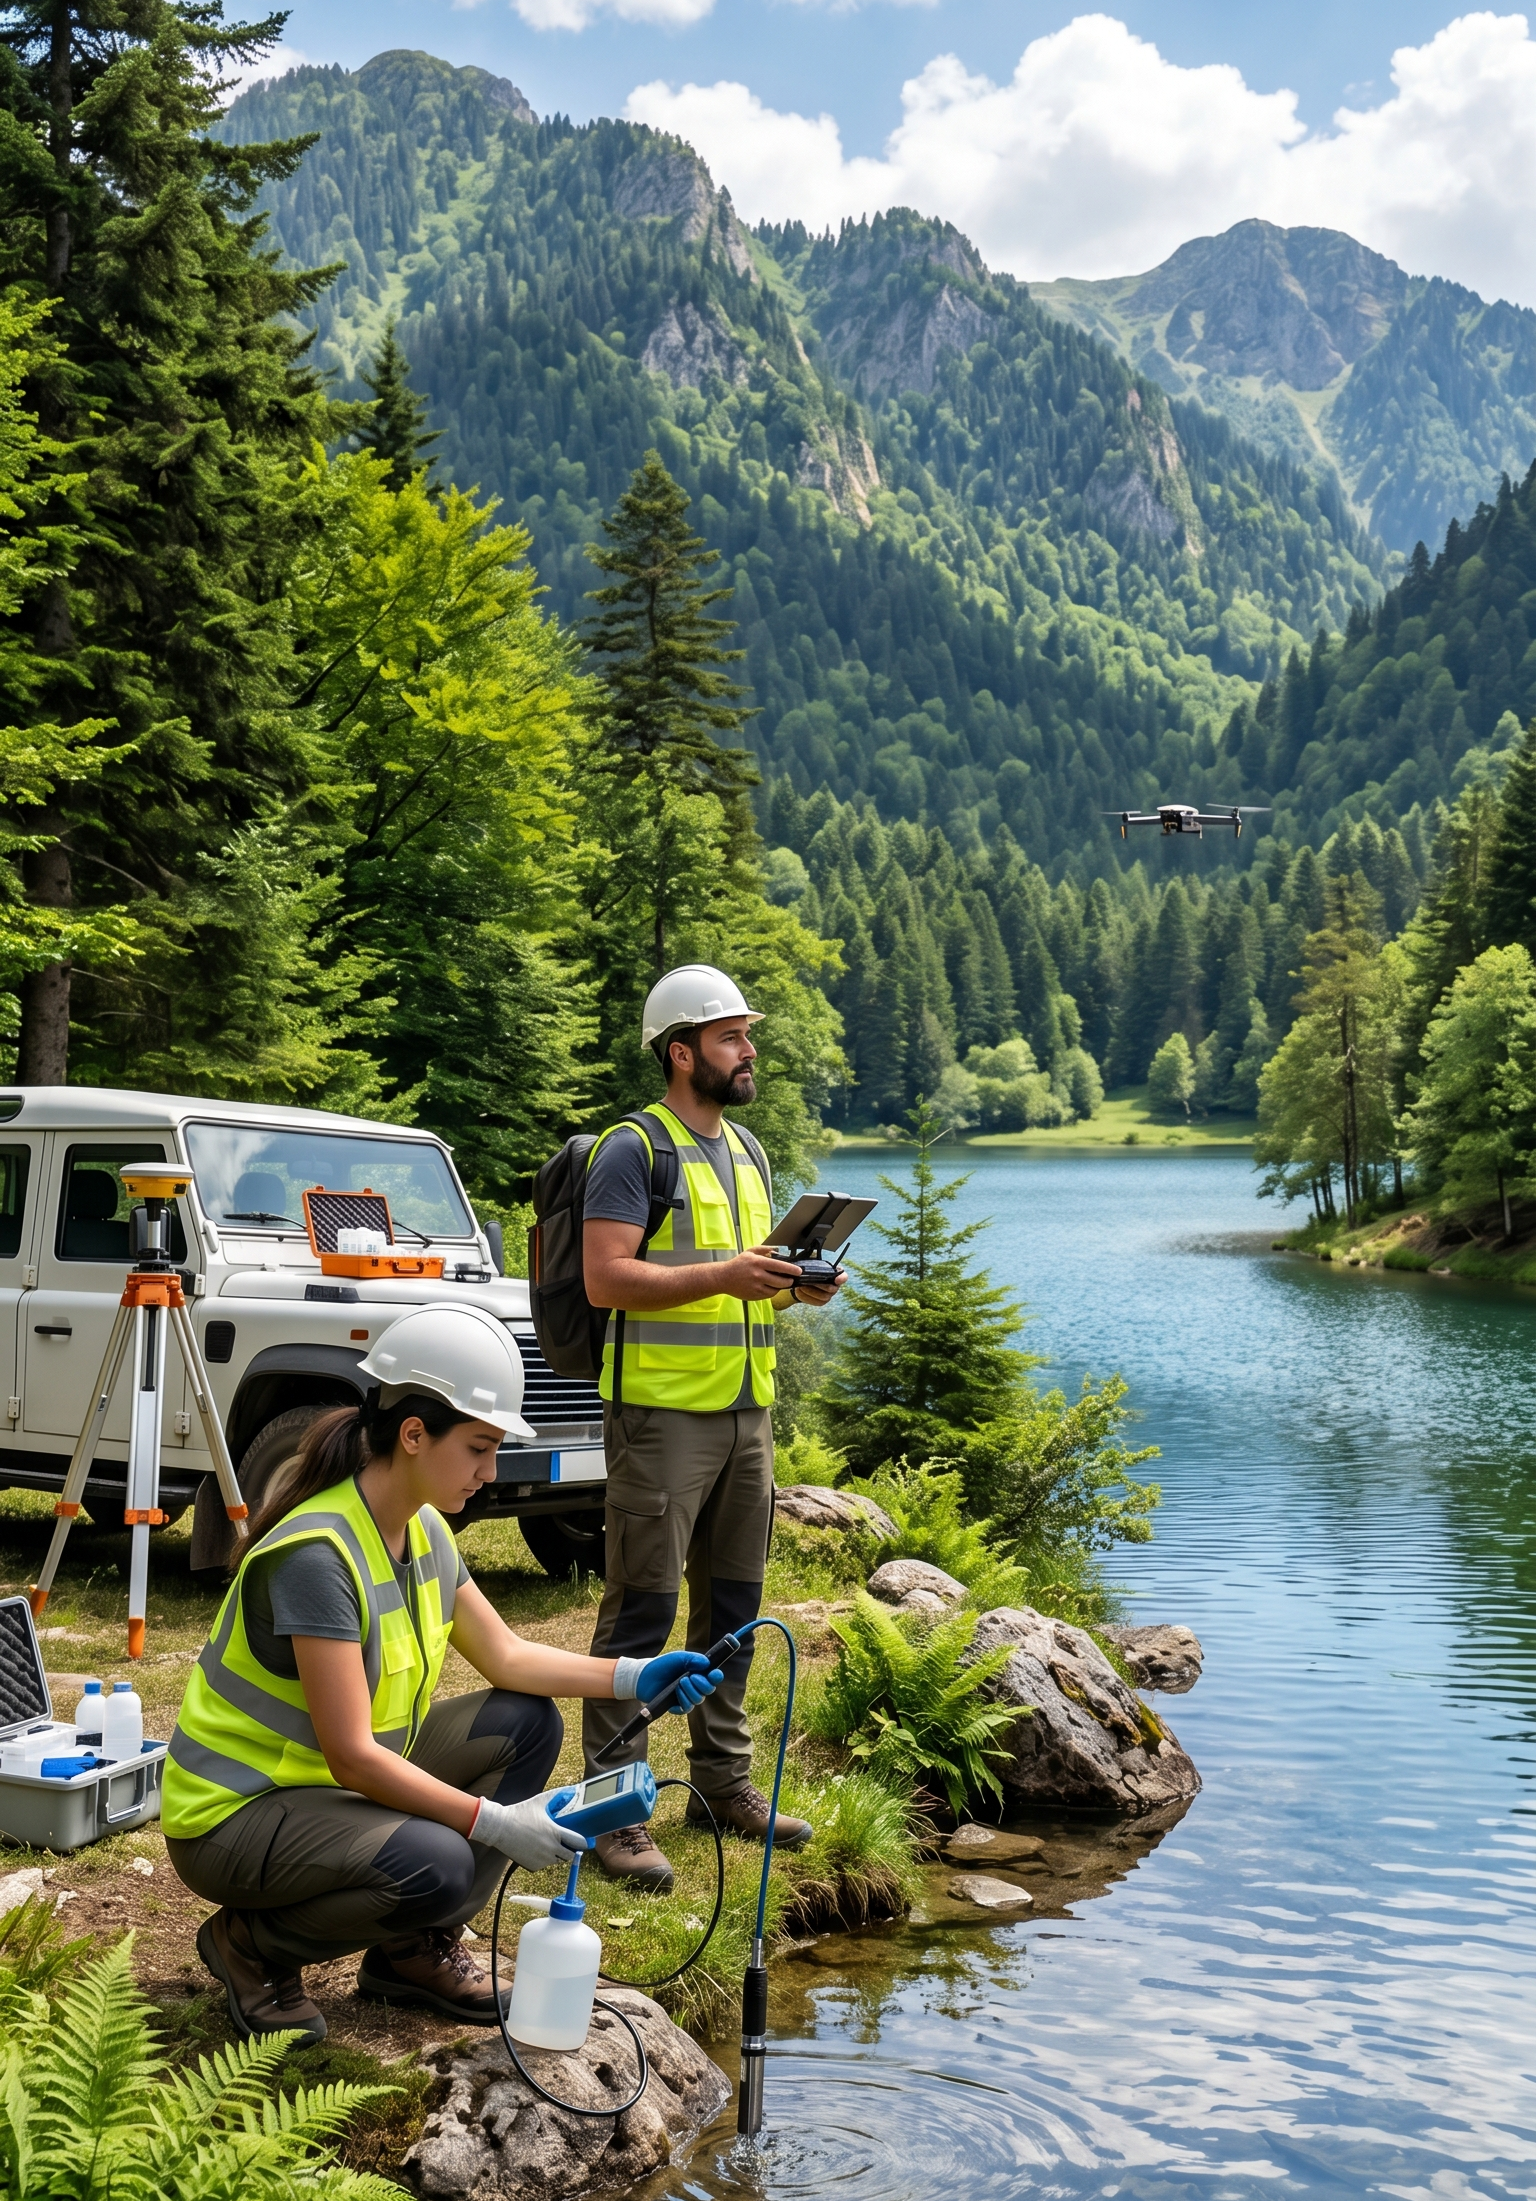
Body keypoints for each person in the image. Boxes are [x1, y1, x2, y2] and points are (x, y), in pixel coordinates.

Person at [162, 1303, 721, 2044]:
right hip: (236, 1816)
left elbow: (507, 1657)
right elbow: (352, 1754)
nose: (490, 1472)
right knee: (441, 1863)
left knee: (526, 1721)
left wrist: (636, 1675)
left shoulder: (422, 1526)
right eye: (480, 1448)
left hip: (327, 1793)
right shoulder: (317, 1556)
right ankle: (251, 1948)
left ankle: (410, 1951)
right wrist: (497, 1823)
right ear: (414, 1433)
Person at [580, 964, 843, 1890]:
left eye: (747, 1034)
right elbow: (605, 1278)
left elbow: (745, 1275)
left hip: (747, 1414)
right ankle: (614, 1810)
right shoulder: (631, 1148)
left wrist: (796, 1283)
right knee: (641, 1616)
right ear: (681, 1050)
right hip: (661, 1420)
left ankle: (721, 1784)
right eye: (732, 1036)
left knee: (731, 1609)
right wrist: (728, 1275)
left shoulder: (749, 1152)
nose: (750, 1049)